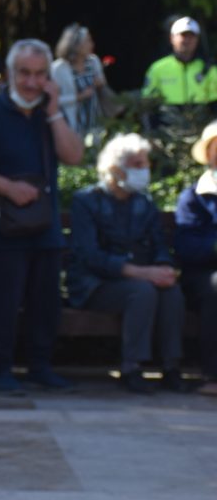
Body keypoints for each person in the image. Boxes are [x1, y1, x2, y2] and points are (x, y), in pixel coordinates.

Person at [0, 39, 84, 396]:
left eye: (40, 74)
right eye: (24, 73)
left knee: (45, 302)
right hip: (1, 228)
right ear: (9, 73)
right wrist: (7, 188)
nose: (32, 82)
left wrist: (55, 111)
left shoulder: (48, 112)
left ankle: (40, 368)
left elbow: (74, 156)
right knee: (2, 302)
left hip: (44, 227)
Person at [65, 133, 186, 393]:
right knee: (141, 292)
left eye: (146, 163)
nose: (145, 170)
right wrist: (141, 273)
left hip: (139, 279)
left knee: (171, 291)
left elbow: (159, 245)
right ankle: (132, 367)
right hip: (95, 285)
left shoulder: (145, 204)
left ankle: (171, 367)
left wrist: (164, 268)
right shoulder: (86, 201)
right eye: (137, 164)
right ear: (115, 169)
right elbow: (89, 256)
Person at [174, 121, 217, 397]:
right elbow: (188, 250)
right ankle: (213, 374)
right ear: (209, 155)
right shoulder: (192, 198)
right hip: (201, 278)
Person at [143, 16, 216, 111]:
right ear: (172, 38)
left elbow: (214, 102)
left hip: (201, 118)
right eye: (183, 35)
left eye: (191, 36)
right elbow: (148, 101)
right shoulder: (157, 68)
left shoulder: (208, 68)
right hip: (168, 118)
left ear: (197, 39)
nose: (187, 40)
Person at [52, 23, 109, 137]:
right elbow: (53, 101)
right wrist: (79, 97)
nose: (92, 44)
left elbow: (102, 83)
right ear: (76, 45)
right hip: (71, 127)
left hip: (95, 124)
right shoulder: (59, 68)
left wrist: (100, 83)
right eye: (88, 41)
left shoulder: (93, 61)